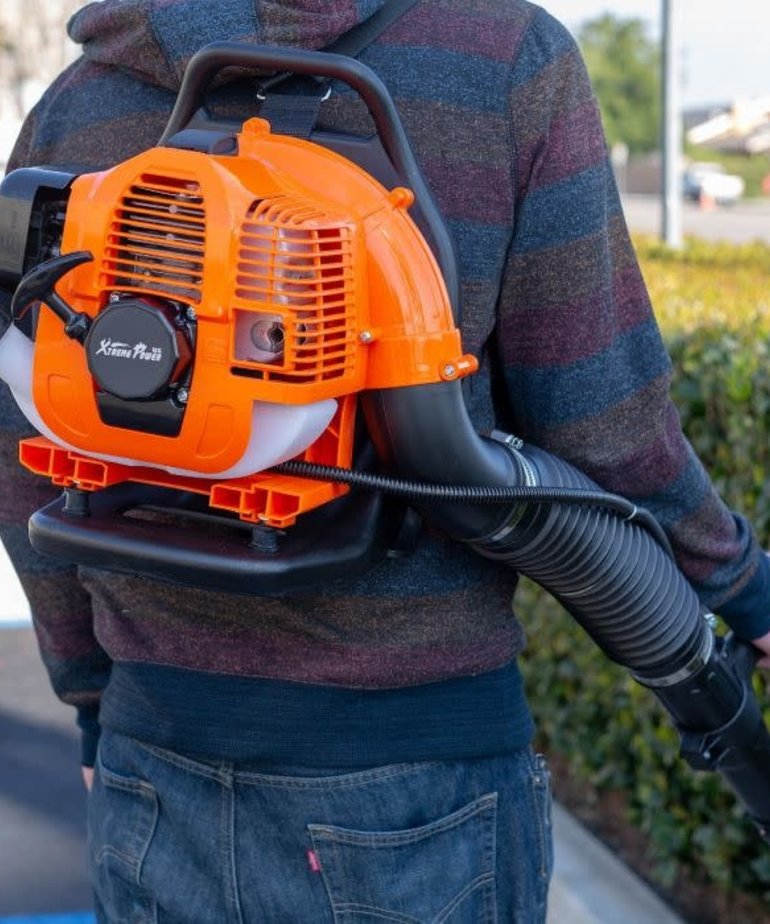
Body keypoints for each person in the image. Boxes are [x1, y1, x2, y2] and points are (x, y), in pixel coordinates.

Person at [2, 1, 769, 921]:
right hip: (419, 786)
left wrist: (93, 699)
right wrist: (742, 591)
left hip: (152, 768)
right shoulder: (504, 61)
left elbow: (25, 448)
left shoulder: (81, 97)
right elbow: (606, 423)